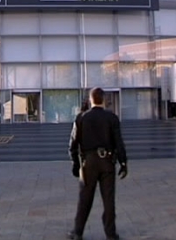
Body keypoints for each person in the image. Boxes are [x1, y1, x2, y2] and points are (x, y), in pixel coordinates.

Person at [67, 87, 128, 240]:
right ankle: (111, 234)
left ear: (91, 100)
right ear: (104, 100)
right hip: (107, 162)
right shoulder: (112, 118)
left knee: (85, 199)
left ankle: (78, 232)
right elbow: (119, 142)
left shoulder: (81, 118)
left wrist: (75, 164)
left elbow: (72, 144)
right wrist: (123, 163)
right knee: (108, 199)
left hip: (88, 163)